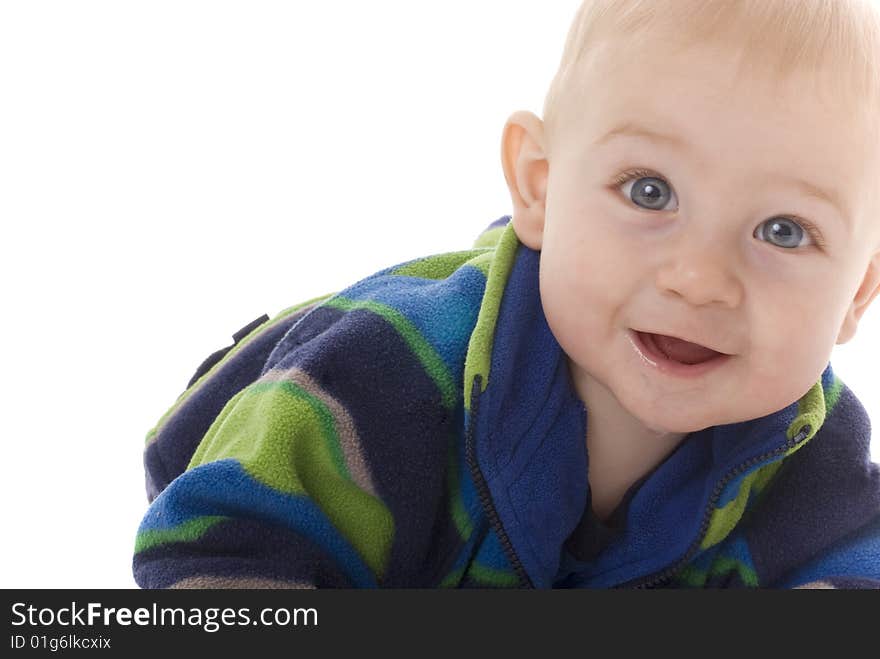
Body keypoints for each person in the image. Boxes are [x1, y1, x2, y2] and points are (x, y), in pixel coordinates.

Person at [133, 0, 880, 588]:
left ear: (858, 291)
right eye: (650, 192)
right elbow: (218, 545)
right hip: (247, 457)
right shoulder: (387, 376)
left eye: (784, 231)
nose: (700, 279)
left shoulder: (810, 450)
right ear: (541, 187)